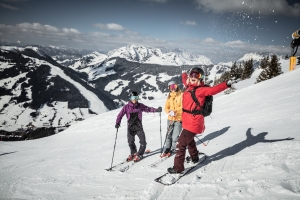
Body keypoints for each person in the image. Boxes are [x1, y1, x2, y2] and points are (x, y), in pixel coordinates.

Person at [167, 67, 239, 173]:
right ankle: (194, 157)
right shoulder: (188, 85)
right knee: (189, 141)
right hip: (187, 122)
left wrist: (226, 84)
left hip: (194, 123)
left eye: (197, 75)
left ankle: (178, 168)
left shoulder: (201, 90)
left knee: (180, 144)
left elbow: (213, 90)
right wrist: (183, 74)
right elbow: (185, 79)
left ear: (201, 78)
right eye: (192, 74)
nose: (193, 77)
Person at [115, 91, 162, 162]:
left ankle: (140, 154)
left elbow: (148, 109)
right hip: (130, 127)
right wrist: (118, 122)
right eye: (133, 97)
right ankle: (133, 153)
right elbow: (120, 115)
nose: (134, 99)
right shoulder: (126, 107)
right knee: (130, 142)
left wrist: (156, 110)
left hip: (139, 127)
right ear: (130, 98)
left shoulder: (140, 106)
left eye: (136, 97)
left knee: (143, 142)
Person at [161, 80, 183, 157]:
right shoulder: (169, 96)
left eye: (174, 86)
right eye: (171, 87)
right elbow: (166, 107)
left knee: (175, 135)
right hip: (170, 119)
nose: (173, 88)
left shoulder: (181, 95)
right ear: (169, 88)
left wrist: (175, 111)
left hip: (178, 118)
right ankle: (167, 147)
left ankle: (173, 148)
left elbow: (183, 106)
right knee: (169, 134)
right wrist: (169, 112)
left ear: (177, 86)